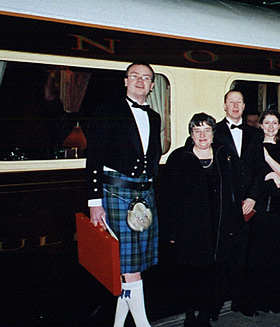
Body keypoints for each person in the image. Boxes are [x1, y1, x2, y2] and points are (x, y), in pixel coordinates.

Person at [86, 62, 161, 327]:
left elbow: (152, 158)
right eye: (135, 76)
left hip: (144, 197)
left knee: (130, 267)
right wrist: (95, 202)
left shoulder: (154, 117)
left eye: (147, 78)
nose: (141, 81)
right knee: (130, 268)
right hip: (116, 193)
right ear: (125, 81)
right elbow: (93, 156)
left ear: (152, 86)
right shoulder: (108, 110)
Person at [164, 113, 240, 327]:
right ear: (191, 134)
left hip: (218, 229)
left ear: (213, 134)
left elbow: (235, 190)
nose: (202, 135)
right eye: (197, 130)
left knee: (213, 274)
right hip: (188, 229)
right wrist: (171, 232)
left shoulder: (225, 156)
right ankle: (190, 314)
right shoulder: (178, 158)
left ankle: (206, 314)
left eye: (207, 130)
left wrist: (233, 223)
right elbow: (167, 198)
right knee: (189, 274)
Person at [213, 90, 262, 315]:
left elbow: (259, 169)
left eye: (239, 102)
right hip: (224, 205)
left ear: (244, 106)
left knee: (246, 255)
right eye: (230, 102)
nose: (234, 106)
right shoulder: (214, 131)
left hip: (248, 204)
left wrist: (253, 197)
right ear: (224, 105)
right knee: (221, 255)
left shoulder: (255, 133)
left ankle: (242, 302)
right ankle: (215, 303)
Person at [243, 109, 280, 314]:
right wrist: (271, 176)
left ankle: (276, 301)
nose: (271, 126)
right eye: (267, 123)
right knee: (259, 255)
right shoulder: (251, 147)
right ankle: (258, 301)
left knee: (279, 255)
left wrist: (270, 163)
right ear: (261, 125)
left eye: (275, 123)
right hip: (262, 206)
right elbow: (248, 175)